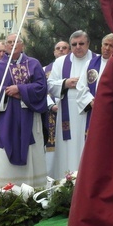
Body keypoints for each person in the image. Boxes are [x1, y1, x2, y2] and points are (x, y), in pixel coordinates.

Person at [0, 34, 48, 187]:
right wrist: (7, 91)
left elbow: (42, 87)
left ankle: (33, 190)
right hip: (7, 120)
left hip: (30, 118)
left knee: (33, 155)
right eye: (9, 42)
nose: (12, 45)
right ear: (5, 46)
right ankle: (6, 193)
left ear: (23, 45)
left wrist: (21, 90)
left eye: (16, 42)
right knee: (4, 160)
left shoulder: (33, 64)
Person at [47, 30, 94, 179]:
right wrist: (65, 83)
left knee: (90, 145)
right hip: (67, 113)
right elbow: (50, 85)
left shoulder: (97, 61)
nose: (78, 47)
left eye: (81, 43)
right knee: (69, 148)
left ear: (88, 44)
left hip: (91, 111)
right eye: (74, 44)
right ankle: (67, 181)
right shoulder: (61, 62)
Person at [76, 34, 113, 135]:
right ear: (101, 46)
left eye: (111, 46)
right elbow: (81, 87)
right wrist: (91, 101)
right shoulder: (90, 64)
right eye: (105, 44)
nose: (107, 48)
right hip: (94, 110)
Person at [44, 40, 70, 175]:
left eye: (64, 48)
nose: (61, 50)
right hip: (51, 113)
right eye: (58, 48)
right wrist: (51, 105)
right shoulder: (45, 70)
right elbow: (43, 89)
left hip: (70, 112)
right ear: (54, 52)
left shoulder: (74, 67)